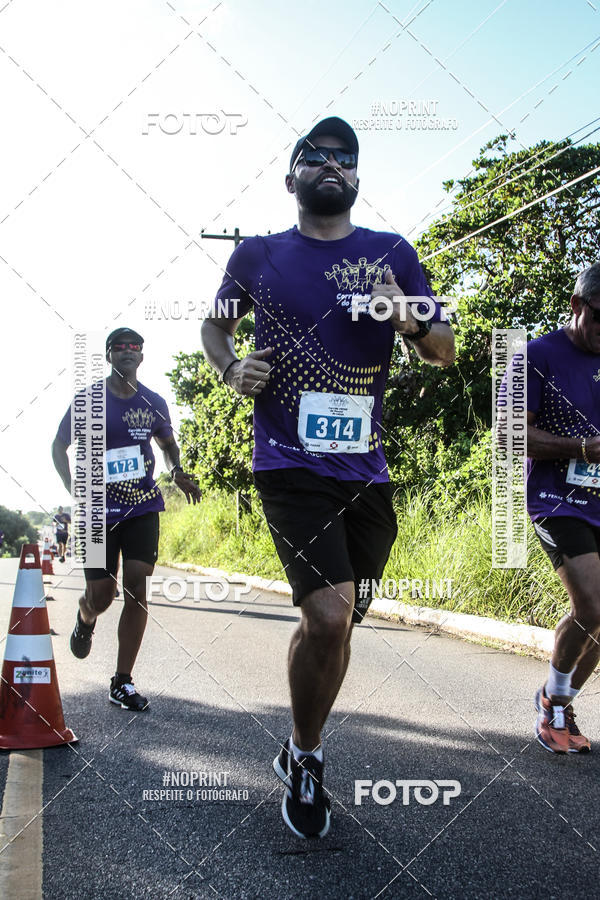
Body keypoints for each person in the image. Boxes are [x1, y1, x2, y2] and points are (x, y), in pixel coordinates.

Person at [201, 117, 455, 838]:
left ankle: (296, 743)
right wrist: (228, 367)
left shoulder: (390, 253)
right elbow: (214, 326)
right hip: (287, 462)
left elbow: (445, 348)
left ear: (358, 178)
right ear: (292, 181)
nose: (331, 164)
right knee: (329, 617)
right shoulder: (258, 256)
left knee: (335, 631)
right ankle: (309, 758)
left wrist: (406, 316)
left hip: (366, 474)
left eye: (345, 157)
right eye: (314, 157)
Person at [52, 327, 200, 711]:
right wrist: (74, 489)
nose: (128, 351)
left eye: (135, 346)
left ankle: (122, 681)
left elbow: (168, 446)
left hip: (141, 506)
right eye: (120, 347)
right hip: (97, 512)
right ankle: (86, 619)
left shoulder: (153, 402)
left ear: (142, 356)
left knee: (137, 585)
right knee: (101, 596)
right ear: (108, 355)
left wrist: (177, 470)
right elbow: (58, 446)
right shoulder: (87, 401)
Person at [527, 262, 600, 754]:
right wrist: (580, 448)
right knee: (593, 604)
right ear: (577, 305)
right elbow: (513, 436)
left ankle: (557, 699)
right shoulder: (537, 355)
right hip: (558, 500)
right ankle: (553, 706)